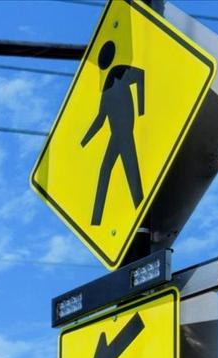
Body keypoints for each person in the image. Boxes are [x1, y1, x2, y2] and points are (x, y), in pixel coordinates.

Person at [81, 40, 146, 227]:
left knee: (131, 172)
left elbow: (141, 75)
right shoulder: (107, 88)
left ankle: (140, 213)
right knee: (106, 171)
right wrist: (84, 141)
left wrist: (142, 109)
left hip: (125, 133)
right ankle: (96, 220)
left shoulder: (122, 72)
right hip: (115, 135)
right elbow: (100, 119)